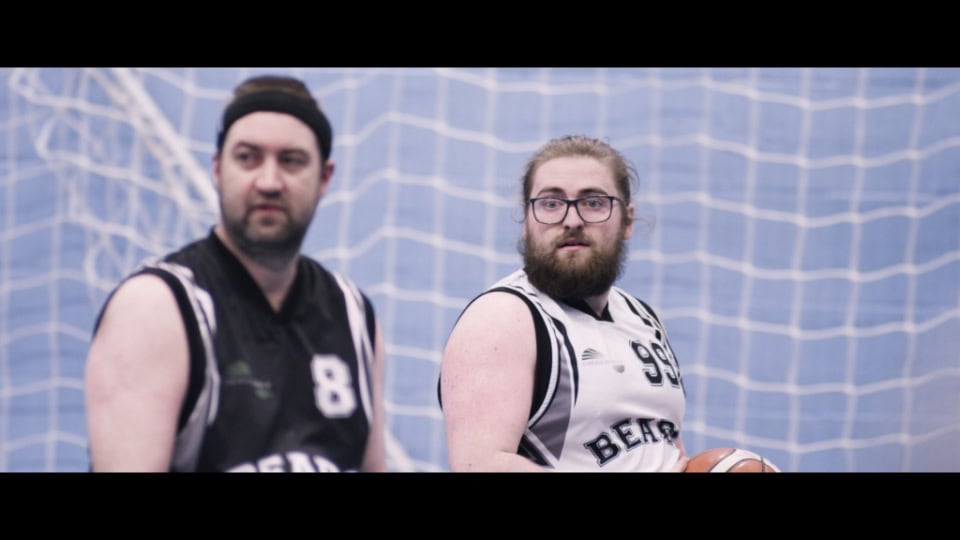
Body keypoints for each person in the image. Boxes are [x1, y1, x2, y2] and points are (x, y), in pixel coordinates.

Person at [85, 75, 386, 472]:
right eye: (248, 157)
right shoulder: (156, 308)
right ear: (217, 169)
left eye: (291, 161)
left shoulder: (352, 315)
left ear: (325, 178)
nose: (268, 182)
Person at [439, 135, 687, 472]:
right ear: (527, 221)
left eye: (594, 203)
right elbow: (479, 465)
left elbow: (659, 445)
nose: (572, 220)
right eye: (551, 203)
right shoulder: (503, 318)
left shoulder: (643, 319)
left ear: (627, 220)